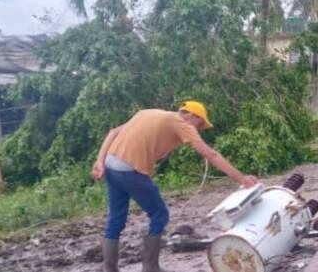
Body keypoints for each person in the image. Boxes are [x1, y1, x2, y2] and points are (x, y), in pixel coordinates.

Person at [90, 101, 258, 272]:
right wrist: (241, 177)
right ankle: (150, 267)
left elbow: (113, 132)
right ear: (192, 116)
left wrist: (100, 161)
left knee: (116, 219)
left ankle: (109, 269)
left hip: (111, 164)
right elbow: (211, 154)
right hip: (130, 169)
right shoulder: (180, 122)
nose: (198, 130)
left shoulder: (148, 112)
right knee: (159, 213)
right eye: (199, 125)